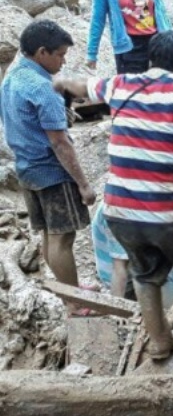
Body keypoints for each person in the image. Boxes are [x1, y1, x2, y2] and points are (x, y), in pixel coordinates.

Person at [55, 31, 173, 360]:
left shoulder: (122, 83)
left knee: (145, 274)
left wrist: (59, 89)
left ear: (150, 61)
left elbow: (79, 85)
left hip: (119, 210)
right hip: (168, 211)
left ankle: (159, 341)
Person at [0, 21, 95, 308]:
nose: (63, 61)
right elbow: (60, 143)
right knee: (63, 239)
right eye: (60, 55)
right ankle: (75, 302)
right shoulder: (44, 88)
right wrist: (83, 184)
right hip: (52, 172)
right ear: (42, 52)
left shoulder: (11, 76)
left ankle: (68, 290)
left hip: (26, 167)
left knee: (48, 235)